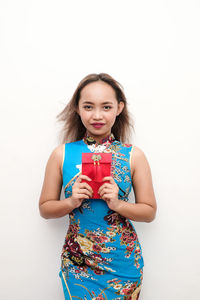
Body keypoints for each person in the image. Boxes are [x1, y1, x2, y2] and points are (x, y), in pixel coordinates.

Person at [39, 73, 157, 300]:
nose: (97, 115)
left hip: (123, 265)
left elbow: (149, 212)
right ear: (77, 108)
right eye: (88, 106)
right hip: (78, 264)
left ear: (119, 108)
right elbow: (45, 208)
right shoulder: (62, 154)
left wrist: (118, 203)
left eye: (106, 107)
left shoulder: (134, 156)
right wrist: (71, 202)